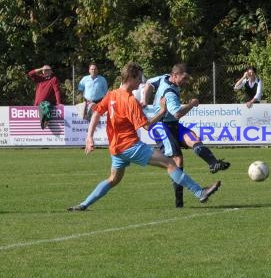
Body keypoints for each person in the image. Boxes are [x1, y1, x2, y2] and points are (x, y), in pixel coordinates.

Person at [67, 62, 221, 211]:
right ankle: (200, 192)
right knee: (170, 163)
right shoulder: (130, 100)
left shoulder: (112, 94)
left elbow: (97, 113)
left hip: (116, 148)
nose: (141, 82)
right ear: (131, 78)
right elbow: (147, 126)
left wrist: (89, 137)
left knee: (113, 179)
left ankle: (84, 204)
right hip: (130, 146)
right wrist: (161, 111)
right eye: (139, 78)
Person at [142, 63, 230, 208]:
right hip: (161, 125)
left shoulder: (164, 78)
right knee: (177, 159)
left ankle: (213, 163)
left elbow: (149, 83)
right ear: (175, 75)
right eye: (183, 79)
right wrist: (191, 104)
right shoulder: (169, 93)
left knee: (193, 138)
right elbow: (177, 113)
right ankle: (179, 202)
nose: (185, 82)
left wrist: (145, 100)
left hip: (172, 124)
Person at [27, 65, 62, 129]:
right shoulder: (40, 78)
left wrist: (59, 103)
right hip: (37, 104)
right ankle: (44, 122)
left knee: (46, 105)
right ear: (42, 71)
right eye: (45, 70)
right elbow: (30, 74)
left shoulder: (53, 79)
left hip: (47, 103)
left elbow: (57, 91)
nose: (47, 72)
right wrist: (41, 68)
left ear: (51, 71)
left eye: (48, 70)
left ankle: (46, 121)